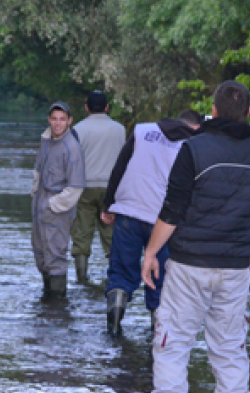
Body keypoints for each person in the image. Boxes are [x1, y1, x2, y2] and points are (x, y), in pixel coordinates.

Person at [140, 81, 250, 393]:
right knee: (231, 349)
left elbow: (172, 210)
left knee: (172, 345)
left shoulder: (194, 149)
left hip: (189, 265)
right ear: (248, 113)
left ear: (212, 111)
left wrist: (151, 252)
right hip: (235, 269)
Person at [100, 110, 202, 336]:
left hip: (129, 212)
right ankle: (158, 336)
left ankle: (114, 327)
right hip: (164, 222)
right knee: (160, 277)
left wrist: (108, 205)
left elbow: (119, 168)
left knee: (121, 272)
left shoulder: (142, 130)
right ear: (195, 127)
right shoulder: (193, 144)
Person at [69, 90, 126, 283]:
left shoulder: (77, 129)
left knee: (82, 233)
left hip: (84, 187)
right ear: (107, 107)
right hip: (112, 189)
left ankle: (82, 279)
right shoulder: (120, 129)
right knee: (111, 235)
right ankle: (114, 278)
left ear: (86, 109)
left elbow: (72, 161)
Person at [31, 102, 86, 297]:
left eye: (62, 119)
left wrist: (53, 206)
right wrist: (36, 192)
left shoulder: (71, 148)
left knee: (55, 256)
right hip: (40, 206)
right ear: (49, 120)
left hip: (58, 211)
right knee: (40, 254)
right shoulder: (45, 141)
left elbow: (76, 187)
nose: (58, 123)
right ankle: (47, 303)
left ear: (70, 121)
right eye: (54, 118)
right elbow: (38, 169)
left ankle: (57, 306)